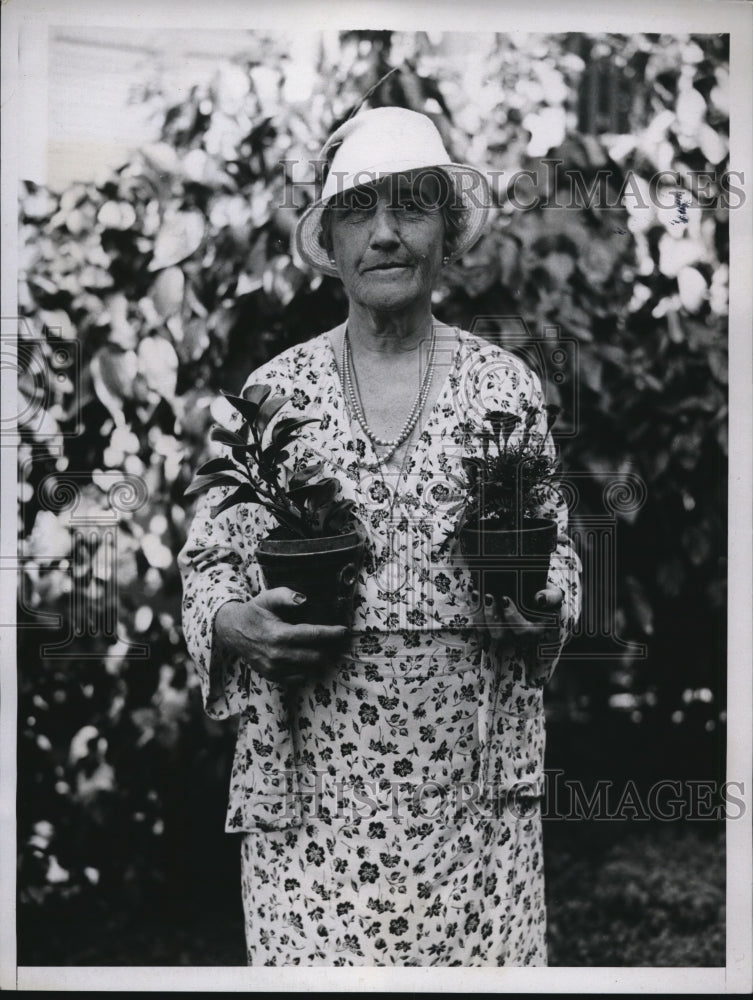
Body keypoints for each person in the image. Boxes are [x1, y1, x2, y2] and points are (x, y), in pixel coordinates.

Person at [178, 106, 581, 966]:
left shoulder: (502, 387)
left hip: (472, 806)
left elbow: (562, 555)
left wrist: (547, 608)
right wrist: (230, 623)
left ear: (448, 231)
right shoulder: (275, 389)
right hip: (312, 802)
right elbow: (209, 558)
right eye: (360, 210)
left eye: (411, 206)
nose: (386, 234)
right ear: (330, 238)